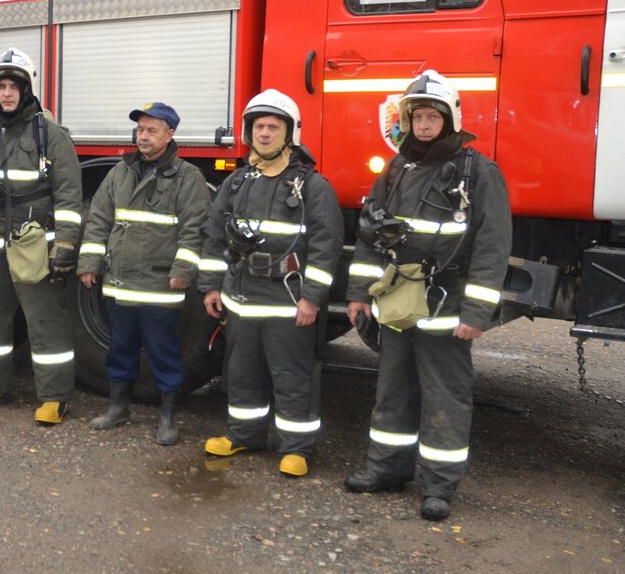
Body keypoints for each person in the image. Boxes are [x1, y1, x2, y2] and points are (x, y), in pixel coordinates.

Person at [344, 70, 511, 521]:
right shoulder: (396, 169)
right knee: (392, 389)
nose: (422, 125)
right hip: (399, 301)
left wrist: (477, 311)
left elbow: (493, 246)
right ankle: (386, 470)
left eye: (432, 117)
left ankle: (438, 487)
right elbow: (369, 236)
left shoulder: (478, 173)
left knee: (444, 396)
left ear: (450, 119)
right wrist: (359, 292)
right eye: (416, 116)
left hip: (447, 305)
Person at [197, 90, 343, 477]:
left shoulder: (312, 186)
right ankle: (245, 434)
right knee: (242, 370)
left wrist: (312, 298)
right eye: (258, 126)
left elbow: (326, 249)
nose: (264, 133)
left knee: (291, 375)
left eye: (272, 127)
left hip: (287, 297)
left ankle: (298, 448)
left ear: (289, 132)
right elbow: (214, 235)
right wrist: (211, 286)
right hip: (242, 296)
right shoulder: (237, 182)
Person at [0, 48, 84, 424]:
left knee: (44, 320)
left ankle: (55, 396)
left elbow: (70, 195)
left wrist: (66, 243)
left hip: (33, 241)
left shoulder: (51, 136)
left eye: (14, 86)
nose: (7, 94)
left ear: (27, 90)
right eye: (2, 86)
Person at [78, 102, 209, 445]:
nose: (144, 136)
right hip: (120, 284)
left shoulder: (188, 178)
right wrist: (89, 263)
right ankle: (118, 407)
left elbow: (195, 229)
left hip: (159, 286)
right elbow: (98, 221)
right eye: (140, 130)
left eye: (152, 130)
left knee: (164, 353)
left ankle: (168, 417)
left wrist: (184, 269)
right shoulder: (119, 173)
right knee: (119, 349)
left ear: (170, 135)